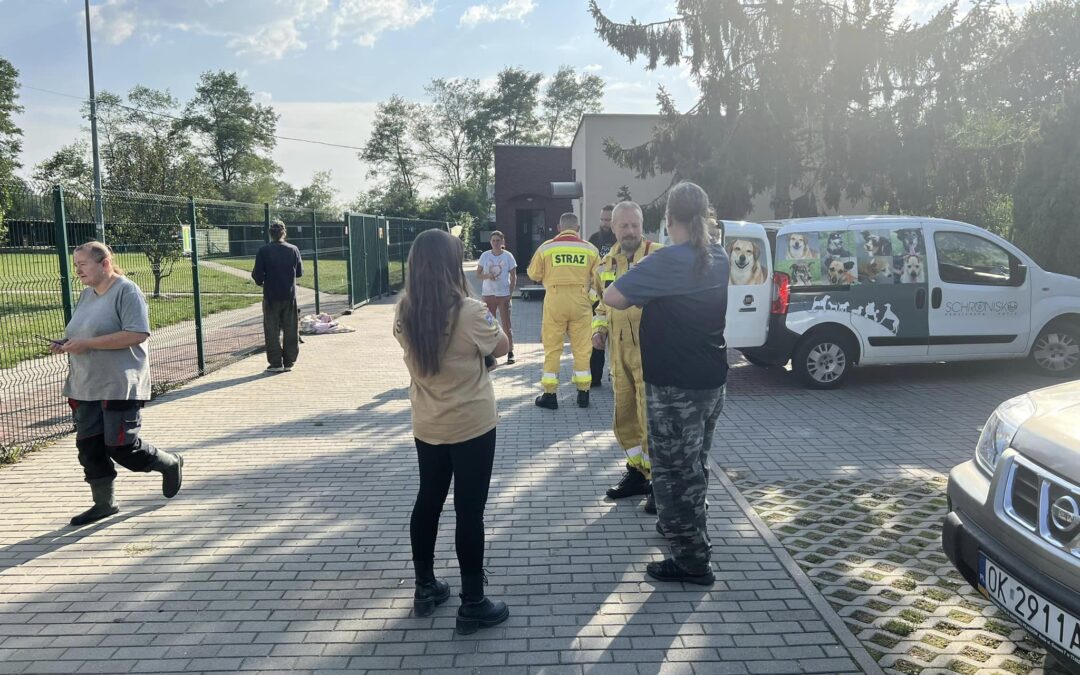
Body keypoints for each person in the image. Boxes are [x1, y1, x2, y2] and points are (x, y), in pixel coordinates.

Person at [603, 182, 729, 586]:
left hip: (676, 387)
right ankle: (687, 532)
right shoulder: (719, 255)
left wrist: (649, 285)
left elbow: (613, 296)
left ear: (669, 220)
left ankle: (692, 560)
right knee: (695, 464)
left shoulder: (668, 261)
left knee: (674, 474)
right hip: (711, 382)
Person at [394, 229, 511, 635]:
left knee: (428, 500)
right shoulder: (471, 311)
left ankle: (425, 587)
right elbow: (501, 347)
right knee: (469, 511)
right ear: (449, 265)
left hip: (428, 424)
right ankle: (473, 603)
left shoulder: (404, 312)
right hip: (472, 425)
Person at [52, 242, 184, 527]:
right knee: (90, 448)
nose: (78, 270)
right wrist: (66, 344)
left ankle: (169, 463)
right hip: (85, 385)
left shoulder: (126, 291)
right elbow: (83, 332)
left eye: (82, 264)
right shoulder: (87, 295)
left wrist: (86, 343)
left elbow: (137, 334)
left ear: (104, 263)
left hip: (119, 384)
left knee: (122, 446)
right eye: (76, 265)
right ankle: (104, 504)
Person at [592, 202, 662, 513]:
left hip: (654, 351)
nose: (630, 231)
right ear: (614, 228)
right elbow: (599, 304)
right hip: (618, 352)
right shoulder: (606, 263)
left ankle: (660, 485)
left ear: (641, 225)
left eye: (635, 225)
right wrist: (599, 330)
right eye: (624, 226)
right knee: (624, 417)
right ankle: (636, 474)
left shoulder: (659, 256)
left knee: (653, 420)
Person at [527, 212, 600, 410]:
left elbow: (533, 273)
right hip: (581, 303)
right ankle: (583, 394)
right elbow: (600, 280)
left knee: (552, 350)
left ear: (559, 227)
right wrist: (590, 298)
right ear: (577, 228)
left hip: (555, 302)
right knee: (582, 350)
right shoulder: (590, 250)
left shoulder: (546, 248)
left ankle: (550, 396)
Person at [252, 220, 303, 373]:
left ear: (270, 233)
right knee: (291, 329)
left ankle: (275, 363)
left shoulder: (263, 250)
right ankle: (289, 361)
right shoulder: (293, 249)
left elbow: (257, 275)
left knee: (271, 330)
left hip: (270, 296)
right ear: (284, 232)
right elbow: (299, 272)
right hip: (289, 295)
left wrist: (261, 282)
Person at [476, 230, 517, 365]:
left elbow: (513, 276)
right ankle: (490, 353)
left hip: (503, 295)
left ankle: (510, 352)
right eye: (493, 241)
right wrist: (488, 276)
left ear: (502, 242)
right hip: (488, 295)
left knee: (506, 325)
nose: (495, 243)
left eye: (498, 240)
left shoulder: (508, 256)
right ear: (490, 242)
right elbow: (478, 274)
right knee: (490, 324)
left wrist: (510, 293)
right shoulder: (485, 256)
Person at [587, 204, 617, 387]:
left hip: (617, 296)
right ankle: (595, 377)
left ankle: (614, 375)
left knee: (615, 341)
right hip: (597, 297)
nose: (605, 223)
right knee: (596, 338)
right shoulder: (594, 239)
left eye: (608, 219)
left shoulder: (621, 240)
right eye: (602, 219)